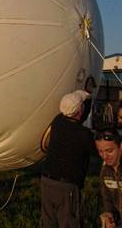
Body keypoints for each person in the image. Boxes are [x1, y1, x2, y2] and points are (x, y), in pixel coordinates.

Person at [41, 90, 94, 227]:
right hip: (66, 187)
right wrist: (88, 98)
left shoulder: (57, 121)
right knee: (68, 223)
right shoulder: (84, 135)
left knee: (49, 223)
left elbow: (76, 116)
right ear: (80, 111)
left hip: (47, 182)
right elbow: (96, 150)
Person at [95, 129, 122, 228]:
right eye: (100, 151)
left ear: (120, 147)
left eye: (109, 151)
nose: (105, 156)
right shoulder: (105, 171)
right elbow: (107, 200)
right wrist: (109, 216)